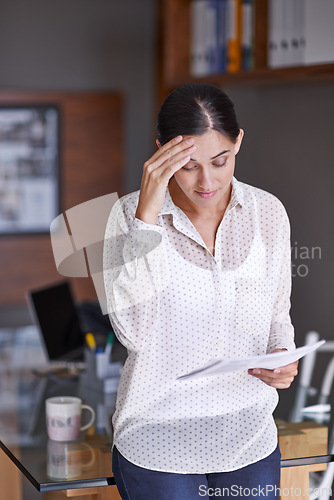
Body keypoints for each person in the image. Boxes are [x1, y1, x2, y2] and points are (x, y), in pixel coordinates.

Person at [103, 83, 298, 499]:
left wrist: (282, 355)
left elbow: (277, 316)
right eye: (189, 165)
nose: (207, 181)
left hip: (248, 434)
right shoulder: (126, 217)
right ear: (160, 153)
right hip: (156, 439)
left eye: (220, 160)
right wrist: (147, 218)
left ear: (238, 142)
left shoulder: (268, 213)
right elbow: (133, 334)